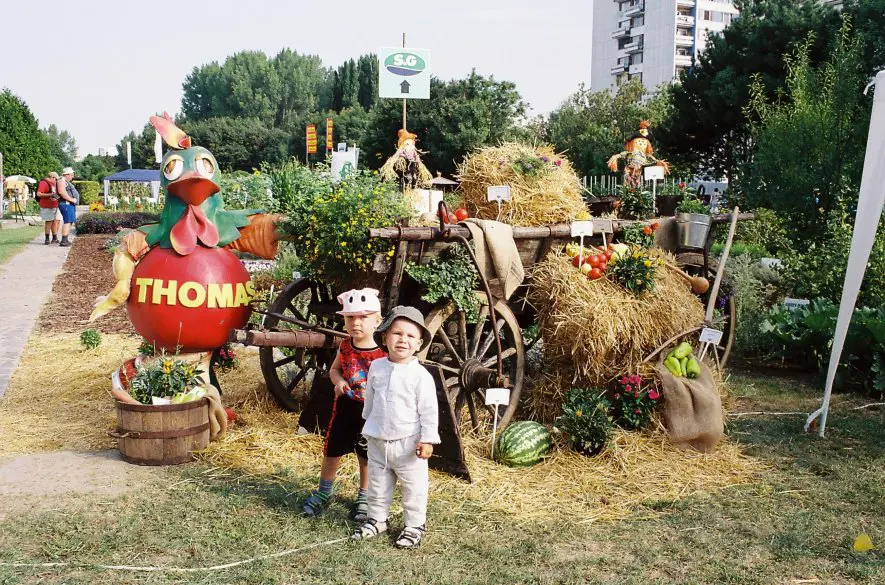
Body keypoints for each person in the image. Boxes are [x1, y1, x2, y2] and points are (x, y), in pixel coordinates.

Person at [352, 306, 439, 549]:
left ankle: (414, 525)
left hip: (408, 445)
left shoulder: (420, 376)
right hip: (378, 440)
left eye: (411, 336)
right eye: (397, 334)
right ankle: (377, 519)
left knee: (413, 487)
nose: (403, 340)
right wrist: (367, 425)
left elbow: (429, 411)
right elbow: (370, 399)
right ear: (385, 338)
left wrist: (428, 439)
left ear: (419, 343)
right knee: (378, 485)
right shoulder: (378, 367)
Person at [302, 288, 386, 521]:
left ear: (377, 321)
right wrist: (338, 382)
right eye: (350, 317)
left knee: (366, 455)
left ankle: (364, 495)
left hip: (371, 412)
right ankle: (324, 491)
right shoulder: (345, 347)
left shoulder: (383, 353)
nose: (356, 323)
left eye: (363, 317)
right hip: (345, 408)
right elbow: (335, 369)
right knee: (332, 450)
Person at [55, 167, 80, 247]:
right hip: (66, 204)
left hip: (69, 204)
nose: (72, 176)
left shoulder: (64, 181)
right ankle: (64, 240)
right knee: (67, 221)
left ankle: (65, 239)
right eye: (71, 175)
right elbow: (62, 192)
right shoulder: (61, 181)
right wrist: (72, 200)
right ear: (67, 174)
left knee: (70, 221)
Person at [35, 172, 61, 244]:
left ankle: (54, 238)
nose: (56, 181)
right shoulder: (43, 183)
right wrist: (51, 195)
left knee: (55, 221)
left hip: (54, 205)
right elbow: (39, 194)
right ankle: (47, 239)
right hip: (47, 205)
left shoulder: (53, 184)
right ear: (52, 177)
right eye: (56, 179)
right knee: (49, 221)